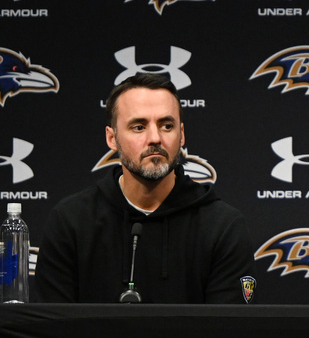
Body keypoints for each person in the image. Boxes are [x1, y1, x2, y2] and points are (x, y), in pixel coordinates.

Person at [35, 73, 256, 303]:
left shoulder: (222, 226)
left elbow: (231, 333)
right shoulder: (71, 222)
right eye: (139, 127)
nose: (155, 138)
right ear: (112, 138)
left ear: (182, 135)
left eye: (167, 125)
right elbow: (51, 329)